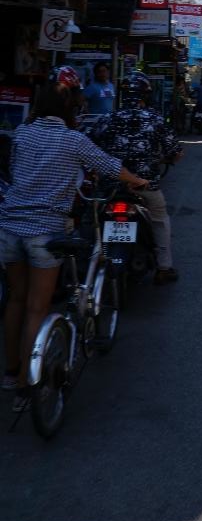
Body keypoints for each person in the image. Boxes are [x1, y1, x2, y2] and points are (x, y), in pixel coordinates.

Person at [0, 66, 148, 411]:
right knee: (38, 306)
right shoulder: (73, 140)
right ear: (70, 108)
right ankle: (25, 386)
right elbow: (110, 166)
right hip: (45, 229)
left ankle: (9, 373)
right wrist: (137, 180)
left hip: (8, 227)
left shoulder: (22, 133)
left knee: (16, 302)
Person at [90, 72, 182, 286]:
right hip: (146, 184)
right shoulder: (155, 119)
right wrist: (171, 158)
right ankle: (164, 267)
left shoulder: (108, 118)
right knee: (159, 219)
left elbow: (89, 145)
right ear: (146, 95)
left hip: (112, 184)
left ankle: (93, 261)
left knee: (93, 219)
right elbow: (175, 150)